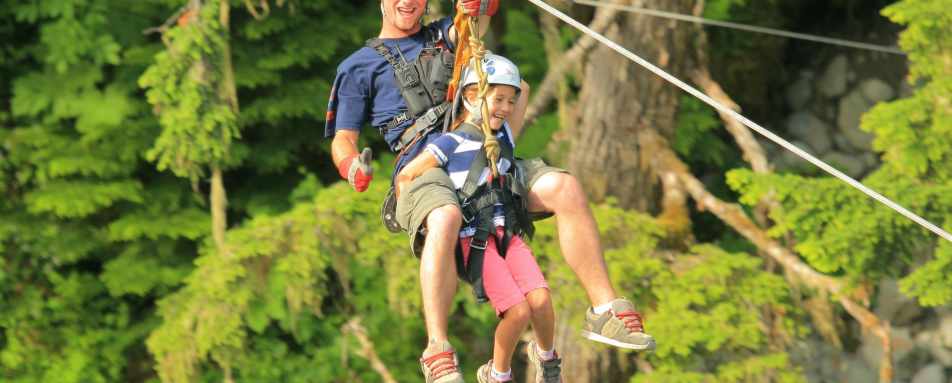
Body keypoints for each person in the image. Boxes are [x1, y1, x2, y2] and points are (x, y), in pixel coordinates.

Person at [325, 1, 654, 381]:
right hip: (424, 167)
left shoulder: (445, 36)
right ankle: (438, 349)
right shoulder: (358, 67)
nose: (408, 2)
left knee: (564, 187)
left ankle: (604, 310)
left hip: (481, 152)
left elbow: (472, 19)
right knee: (444, 215)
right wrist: (354, 168)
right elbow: (343, 139)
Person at [396, 54, 561, 383]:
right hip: (476, 240)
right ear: (472, 97)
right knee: (518, 311)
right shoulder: (452, 142)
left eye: (510, 102)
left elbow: (523, 87)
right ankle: (497, 374)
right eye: (498, 99)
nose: (506, 108)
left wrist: (478, 50)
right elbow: (409, 175)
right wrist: (421, 218)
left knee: (541, 300)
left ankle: (547, 358)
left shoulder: (503, 139)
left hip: (506, 235)